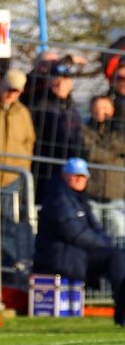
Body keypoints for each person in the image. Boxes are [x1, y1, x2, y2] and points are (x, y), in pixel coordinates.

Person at [33, 157, 125, 327]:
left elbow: (95, 229)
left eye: (82, 176)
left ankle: (122, 313)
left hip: (76, 255)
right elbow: (74, 234)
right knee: (116, 258)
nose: (79, 179)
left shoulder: (79, 200)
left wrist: (107, 243)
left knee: (119, 256)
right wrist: (106, 245)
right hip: (61, 258)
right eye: (75, 175)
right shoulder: (58, 199)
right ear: (64, 175)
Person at [30, 60, 85, 202]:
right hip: (45, 169)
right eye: (56, 78)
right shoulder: (39, 106)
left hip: (69, 168)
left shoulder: (73, 109)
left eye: (65, 79)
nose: (60, 83)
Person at [81, 96, 125, 240]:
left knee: (118, 234)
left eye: (105, 107)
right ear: (91, 109)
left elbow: (122, 145)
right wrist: (114, 154)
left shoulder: (120, 131)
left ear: (112, 110)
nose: (101, 112)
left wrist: (101, 149)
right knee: (93, 234)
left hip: (115, 193)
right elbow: (90, 152)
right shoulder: (84, 129)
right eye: (97, 107)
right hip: (92, 191)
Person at [0, 70, 35, 188]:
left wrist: (25, 165)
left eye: (16, 91)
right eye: (9, 90)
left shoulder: (23, 113)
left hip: (13, 175)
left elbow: (29, 141)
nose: (11, 95)